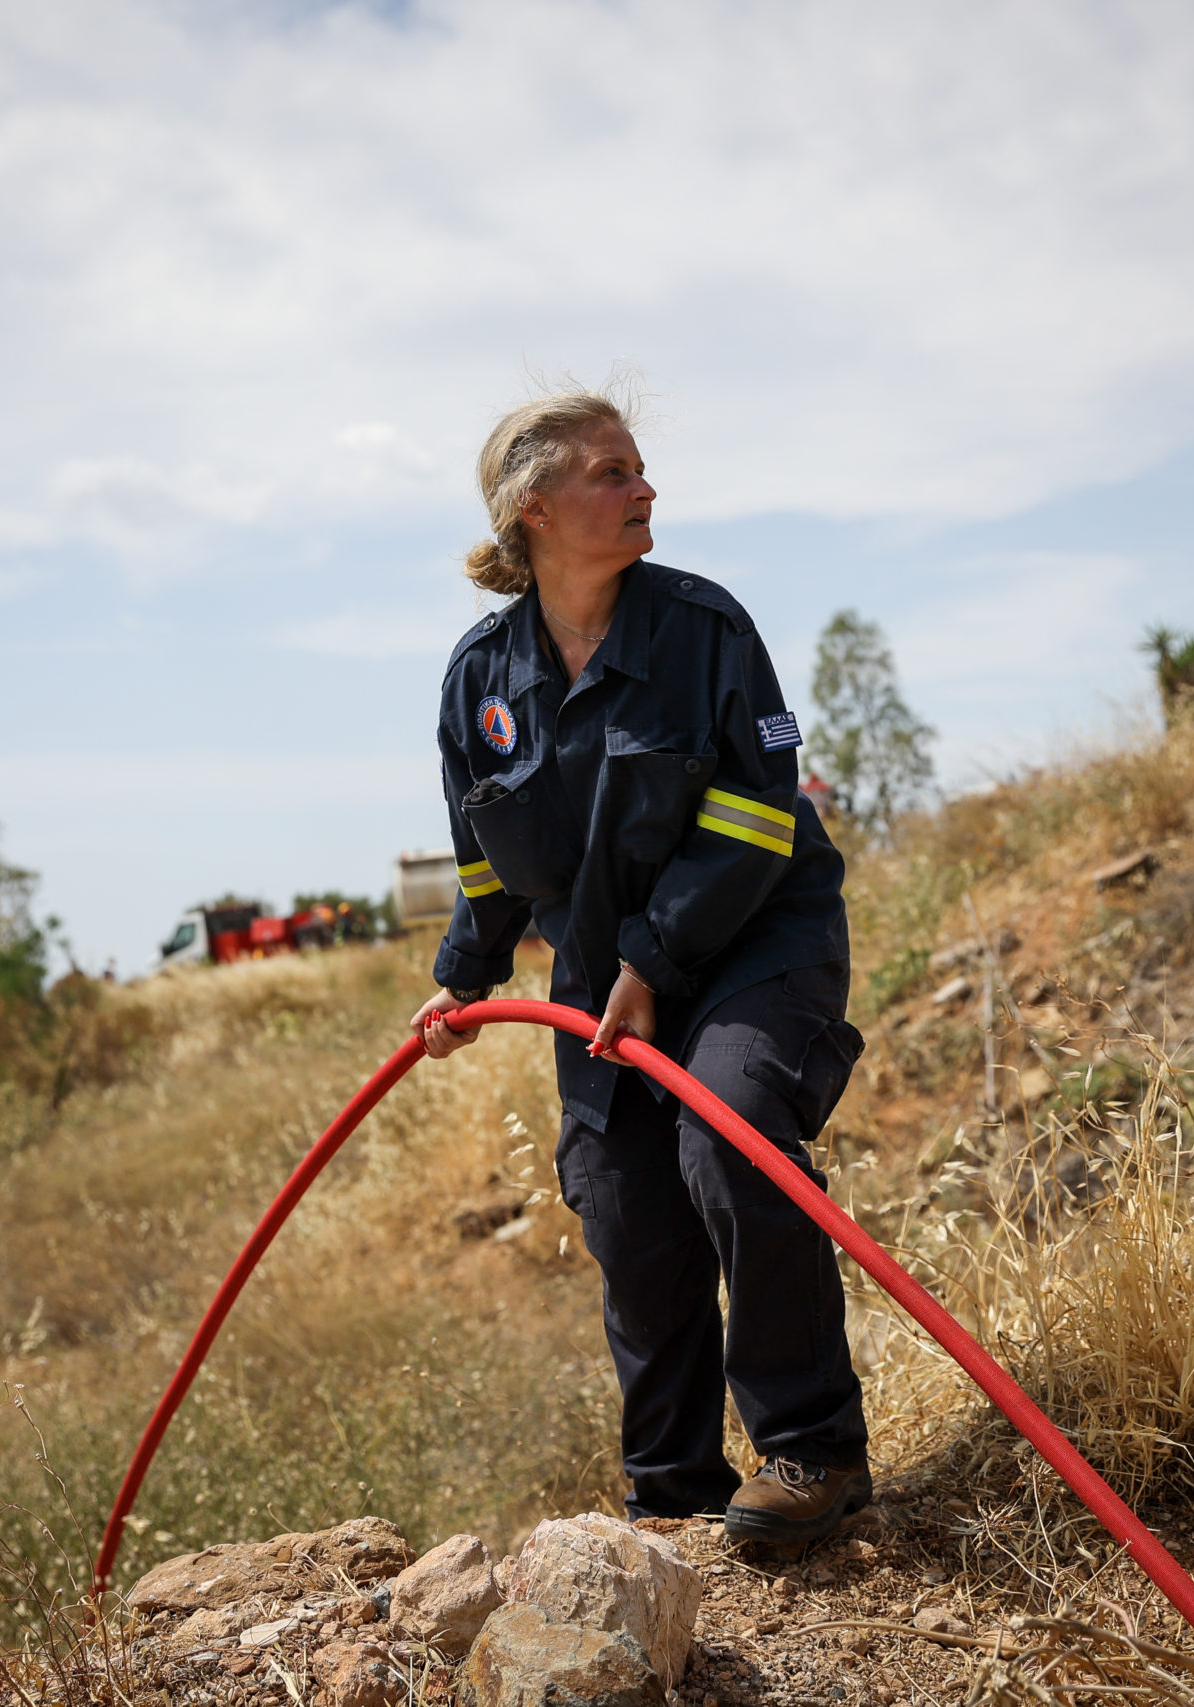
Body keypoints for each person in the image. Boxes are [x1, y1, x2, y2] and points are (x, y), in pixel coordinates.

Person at [411, 388, 871, 1545]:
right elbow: (485, 865)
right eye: (612, 472)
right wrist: (463, 979)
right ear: (533, 509)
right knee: (620, 1197)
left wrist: (656, 960)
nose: (643, 488)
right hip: (608, 978)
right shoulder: (480, 683)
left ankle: (811, 1454)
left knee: (729, 1134)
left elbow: (764, 819)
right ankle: (672, 1497)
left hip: (756, 940)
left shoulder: (704, 630)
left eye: (638, 468)